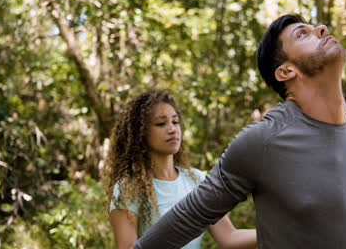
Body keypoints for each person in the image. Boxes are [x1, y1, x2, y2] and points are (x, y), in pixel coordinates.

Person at [133, 14, 346, 249]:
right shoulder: (262, 141)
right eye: (302, 34)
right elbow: (189, 216)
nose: (322, 29)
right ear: (286, 71)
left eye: (316, 28)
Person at [103, 90, 257, 249]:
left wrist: (278, 232)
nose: (172, 129)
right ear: (140, 133)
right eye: (161, 124)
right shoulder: (128, 189)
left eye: (175, 122)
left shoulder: (197, 180)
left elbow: (229, 237)